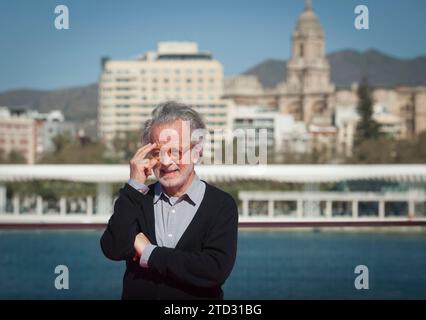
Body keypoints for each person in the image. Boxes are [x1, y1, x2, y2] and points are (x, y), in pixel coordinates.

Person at [100, 101, 239, 300]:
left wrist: (149, 253)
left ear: (197, 150)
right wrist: (133, 185)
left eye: (175, 151)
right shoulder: (137, 199)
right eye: (157, 152)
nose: (165, 162)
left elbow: (214, 270)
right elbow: (113, 249)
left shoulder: (221, 205)